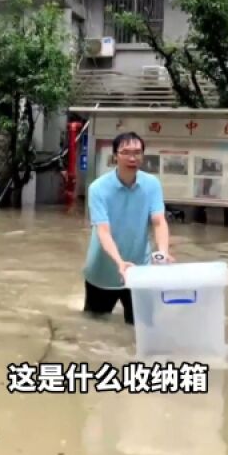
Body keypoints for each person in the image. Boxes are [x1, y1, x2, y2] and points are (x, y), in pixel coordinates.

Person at [83, 132, 172, 325]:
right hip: (102, 272)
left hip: (140, 270)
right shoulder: (98, 188)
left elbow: (158, 221)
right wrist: (120, 263)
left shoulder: (152, 184)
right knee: (94, 331)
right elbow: (103, 231)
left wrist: (163, 252)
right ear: (115, 155)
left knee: (141, 329)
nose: (132, 158)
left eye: (137, 152)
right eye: (125, 152)